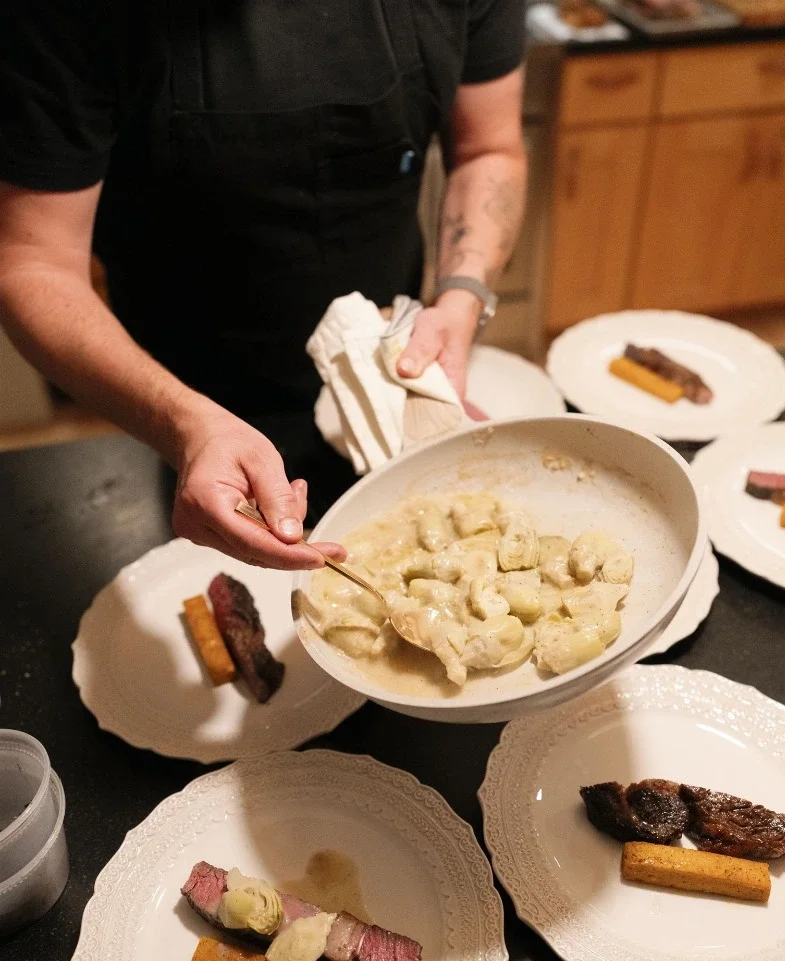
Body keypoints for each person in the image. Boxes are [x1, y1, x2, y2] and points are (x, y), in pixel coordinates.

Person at [0, 2, 527, 570]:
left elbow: (487, 150)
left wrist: (462, 295)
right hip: (189, 411)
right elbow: (33, 263)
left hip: (389, 384)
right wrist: (184, 425)